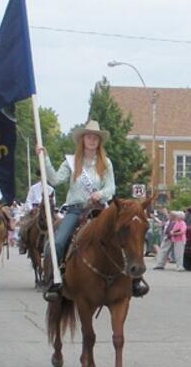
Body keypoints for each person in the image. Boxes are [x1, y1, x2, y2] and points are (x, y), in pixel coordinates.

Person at [36, 120, 146, 301]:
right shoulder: (71, 162)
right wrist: (45, 158)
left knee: (125, 236)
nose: (92, 140)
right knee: (58, 242)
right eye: (89, 136)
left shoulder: (106, 163)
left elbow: (111, 188)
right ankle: (54, 281)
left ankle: (134, 279)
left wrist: (100, 193)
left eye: (95, 137)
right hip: (76, 210)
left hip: (100, 209)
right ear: (83, 139)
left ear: (99, 141)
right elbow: (55, 180)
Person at [19, 172, 56, 254]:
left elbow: (54, 202)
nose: (43, 177)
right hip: (35, 210)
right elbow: (28, 200)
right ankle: (23, 244)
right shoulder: (33, 188)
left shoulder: (51, 189)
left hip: (47, 210)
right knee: (24, 225)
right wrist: (31, 209)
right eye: (41, 176)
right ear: (39, 177)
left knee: (58, 223)